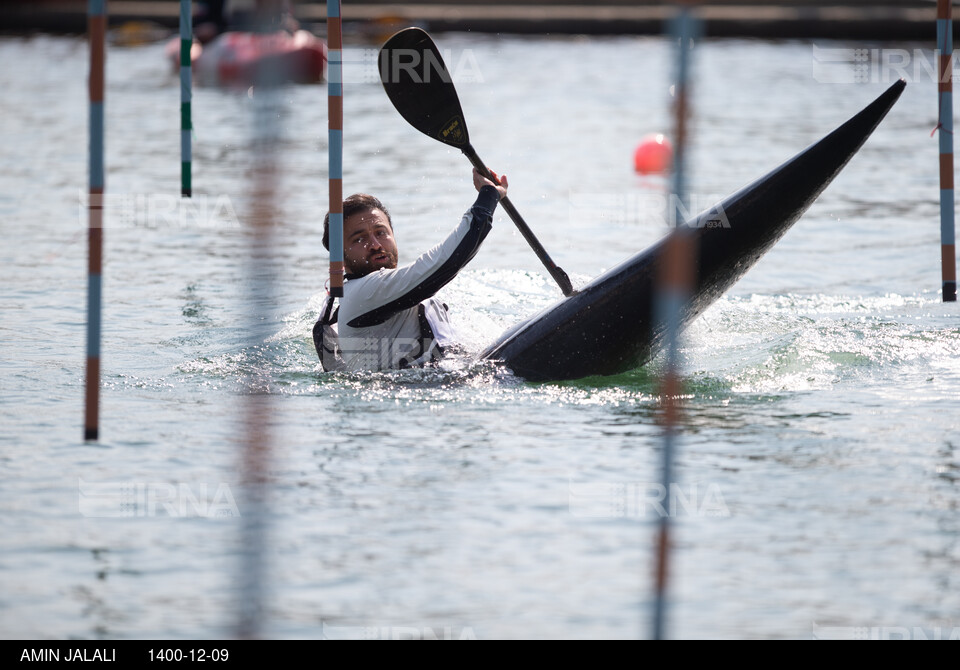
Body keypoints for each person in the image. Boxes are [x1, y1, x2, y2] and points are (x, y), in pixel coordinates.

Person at [314, 168, 508, 372]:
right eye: (359, 239)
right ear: (339, 259)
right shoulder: (364, 293)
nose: (375, 244)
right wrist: (487, 196)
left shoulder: (395, 288)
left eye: (381, 233)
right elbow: (448, 260)